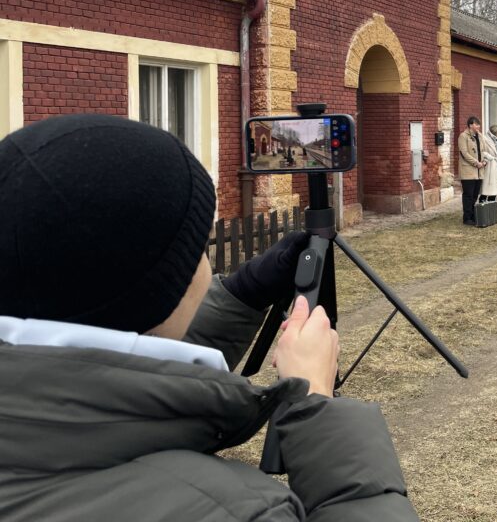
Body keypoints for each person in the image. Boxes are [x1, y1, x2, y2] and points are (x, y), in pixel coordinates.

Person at [0, 113, 418, 521]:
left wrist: (241, 294)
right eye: (199, 247)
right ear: (167, 285)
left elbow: (111, 378)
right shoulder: (235, 508)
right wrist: (315, 404)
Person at [457, 116, 486, 225]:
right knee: (468, 195)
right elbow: (464, 153)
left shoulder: (480, 136)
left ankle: (473, 215)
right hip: (468, 172)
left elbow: (484, 151)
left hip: (479, 171)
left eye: (479, 124)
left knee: (475, 195)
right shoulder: (463, 136)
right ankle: (467, 218)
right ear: (470, 125)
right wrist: (476, 163)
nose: (478, 126)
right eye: (476, 124)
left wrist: (484, 162)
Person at [479, 124, 497, 203]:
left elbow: (496, 151)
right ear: (494, 133)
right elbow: (482, 151)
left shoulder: (496, 140)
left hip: (495, 164)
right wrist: (489, 157)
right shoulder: (484, 139)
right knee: (487, 185)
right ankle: (482, 201)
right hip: (488, 164)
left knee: (494, 185)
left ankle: (492, 201)